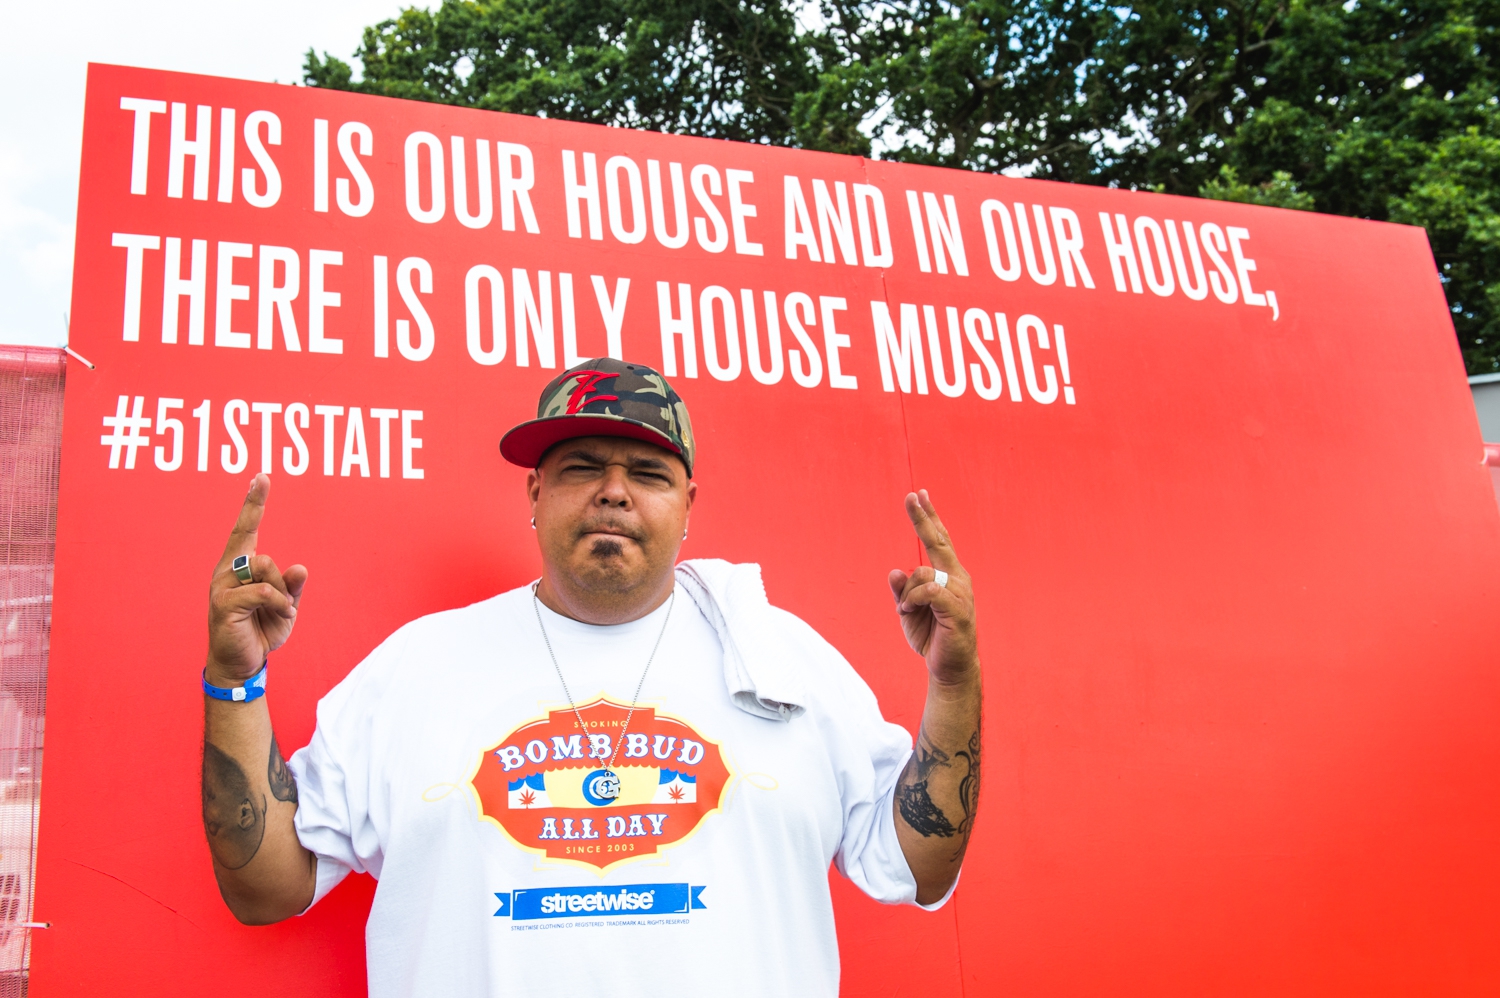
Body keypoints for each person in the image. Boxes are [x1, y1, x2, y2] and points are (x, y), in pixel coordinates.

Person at [200, 358, 983, 997]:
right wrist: (236, 680)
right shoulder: (416, 668)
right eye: (581, 468)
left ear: (688, 506)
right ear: (535, 493)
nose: (613, 489)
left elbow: (914, 866)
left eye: (648, 472)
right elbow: (265, 888)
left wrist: (954, 686)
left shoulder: (785, 662)